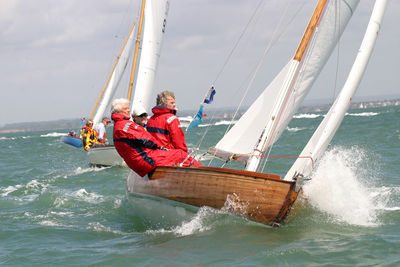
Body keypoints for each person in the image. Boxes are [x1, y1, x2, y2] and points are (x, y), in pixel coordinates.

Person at [111, 98, 202, 177]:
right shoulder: (126, 125)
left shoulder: (118, 125)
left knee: (177, 156)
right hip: (146, 161)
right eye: (126, 108)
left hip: (137, 163)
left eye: (128, 108)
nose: (129, 110)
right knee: (180, 154)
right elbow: (147, 140)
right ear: (118, 111)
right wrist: (160, 147)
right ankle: (205, 172)